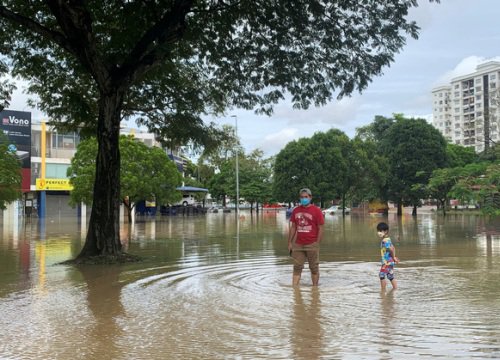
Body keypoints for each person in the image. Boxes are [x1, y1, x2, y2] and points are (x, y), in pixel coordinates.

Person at [288, 188, 324, 286]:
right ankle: (295, 290)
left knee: (314, 268)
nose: (304, 199)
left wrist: (317, 243)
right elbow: (293, 227)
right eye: (302, 197)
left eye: (306, 197)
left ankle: (315, 289)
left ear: (310, 197)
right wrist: (290, 243)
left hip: (312, 243)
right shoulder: (296, 211)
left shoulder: (316, 211)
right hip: (298, 244)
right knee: (297, 267)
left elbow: (321, 228)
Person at [377, 222, 400, 290]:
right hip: (390, 261)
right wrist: (394, 257)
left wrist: (393, 257)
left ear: (386, 231)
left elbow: (391, 249)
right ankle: (395, 289)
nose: (379, 232)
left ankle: (383, 291)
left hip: (386, 262)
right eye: (378, 231)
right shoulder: (388, 239)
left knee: (381, 275)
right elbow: (393, 248)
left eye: (381, 231)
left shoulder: (384, 241)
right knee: (390, 276)